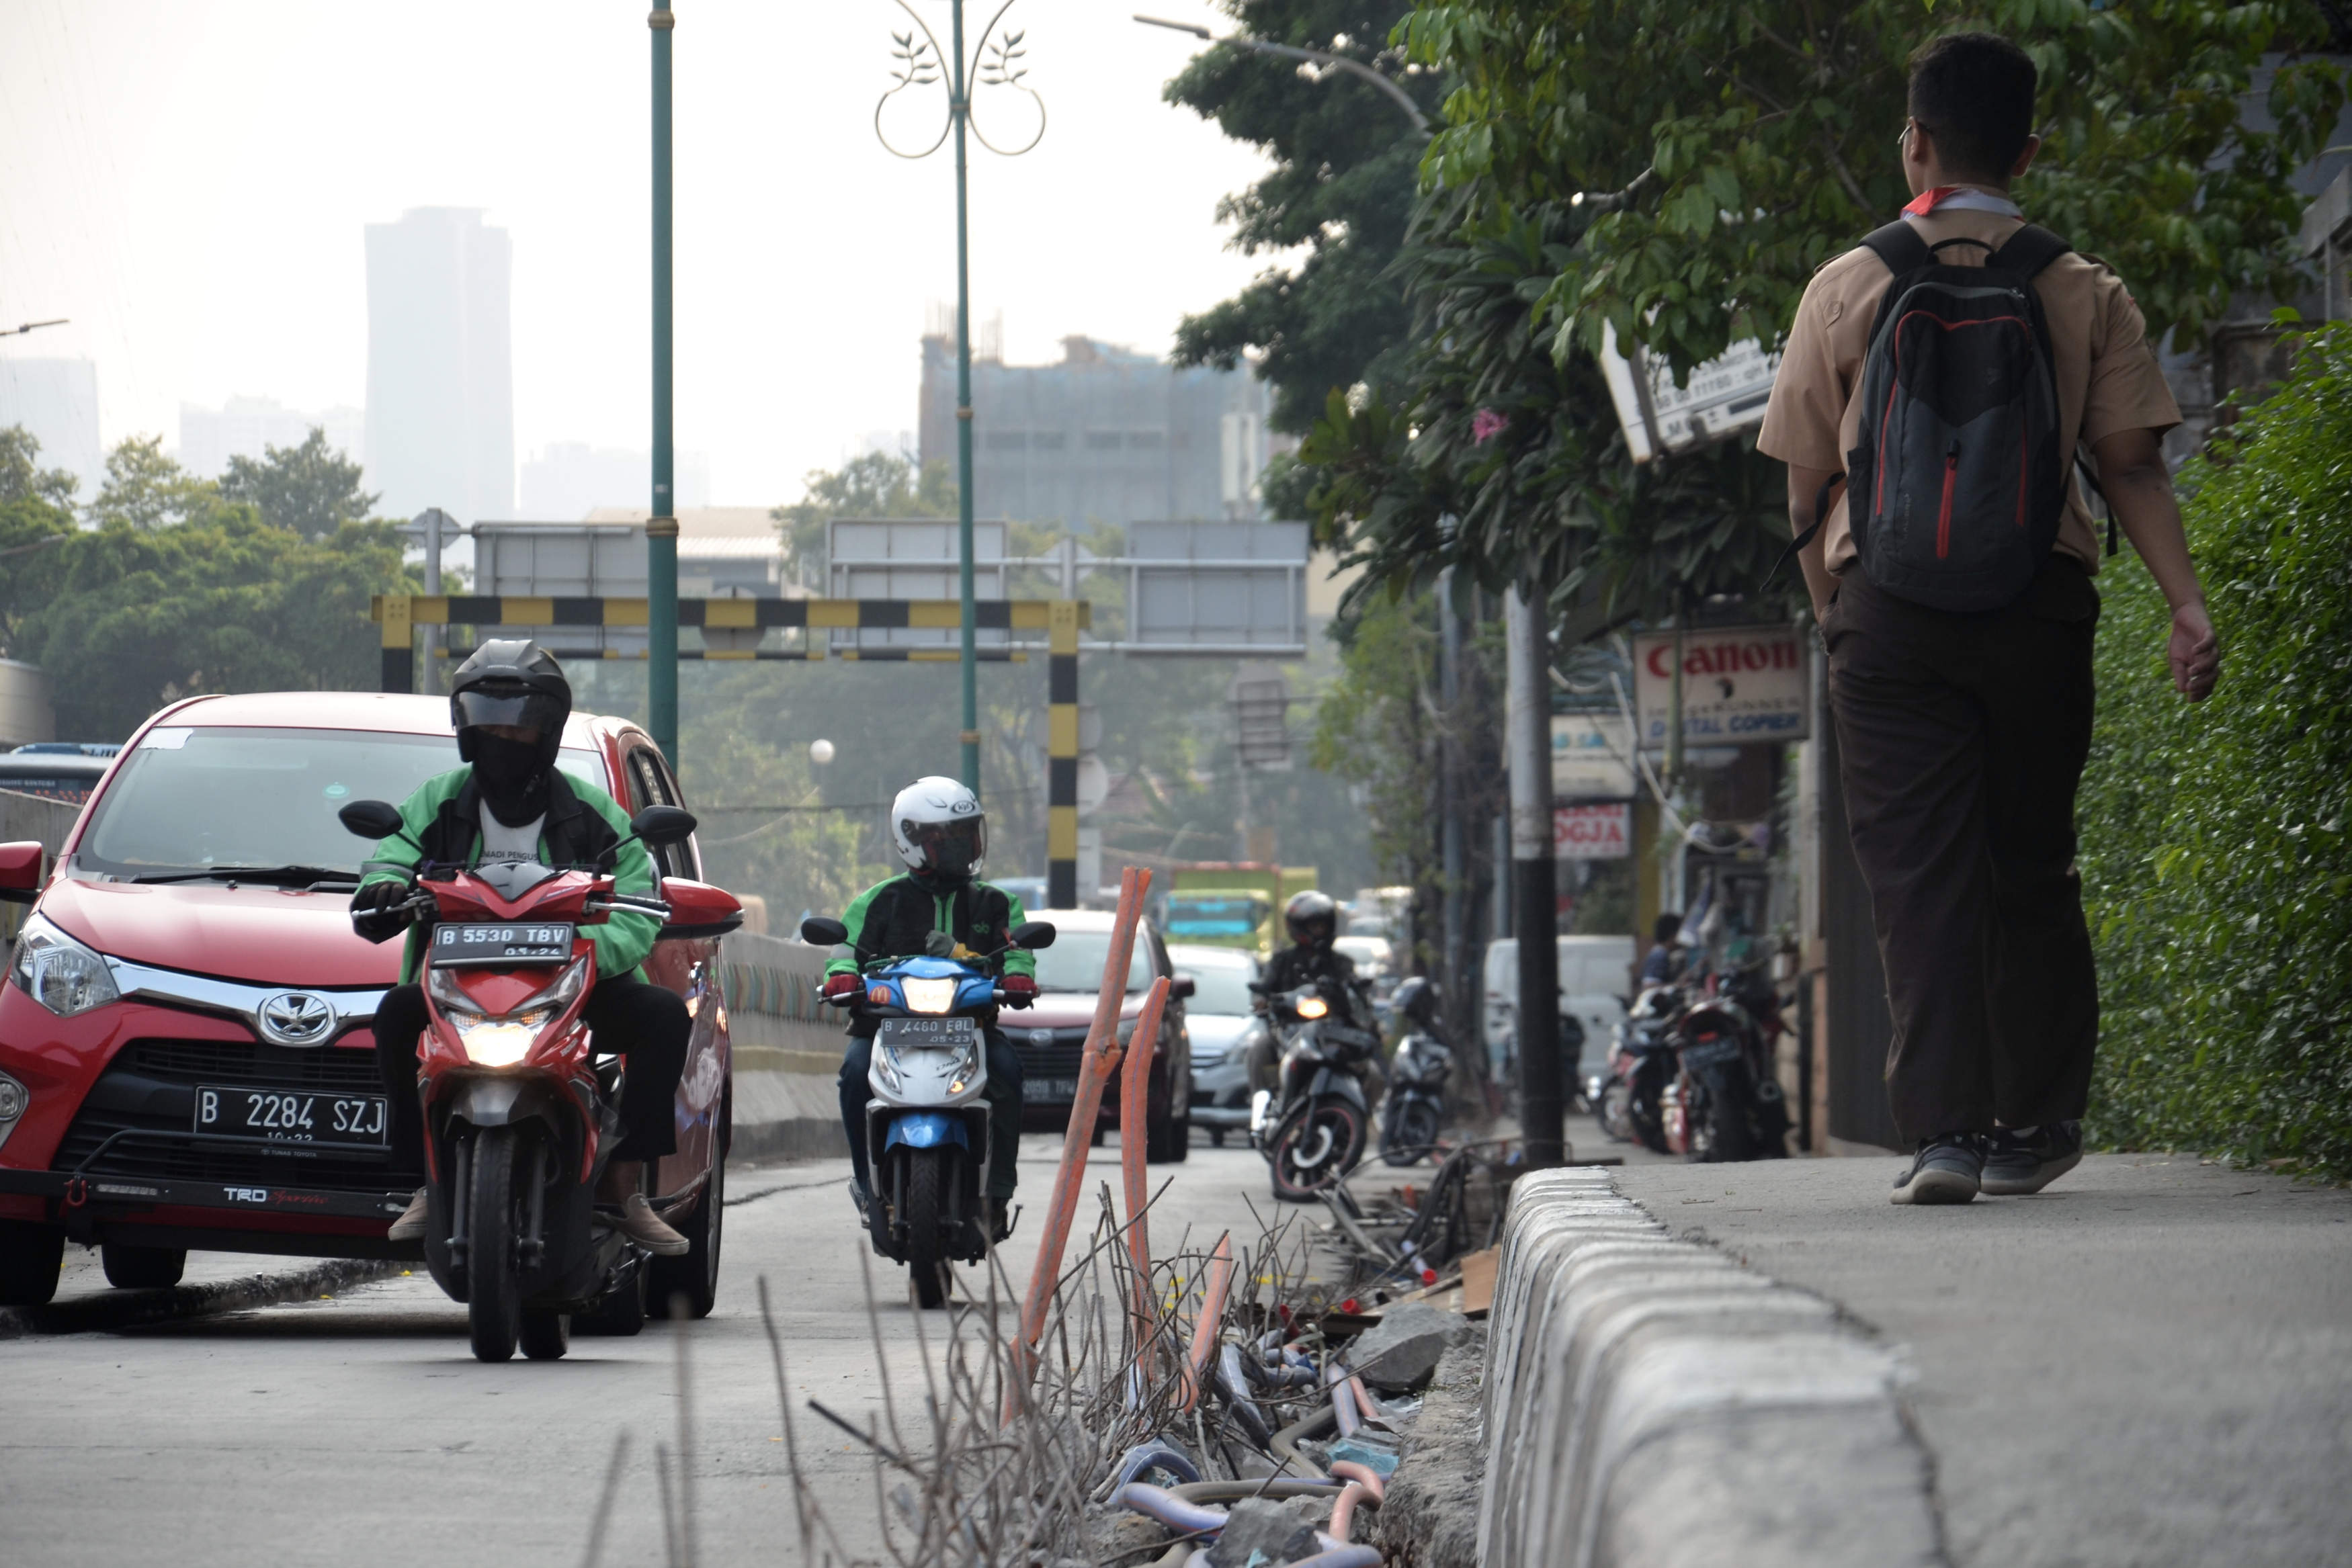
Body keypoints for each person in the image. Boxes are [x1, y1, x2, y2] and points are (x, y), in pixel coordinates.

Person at [1758, 32, 2220, 1205]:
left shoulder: (1846, 284)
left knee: (1917, 876)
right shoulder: (2082, 286)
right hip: (2038, 609)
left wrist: (1840, 620)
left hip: (1890, 618)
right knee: (2031, 859)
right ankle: (2039, 1121)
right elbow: (2130, 466)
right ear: (2029, 149)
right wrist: (2184, 604)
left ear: (1914, 140)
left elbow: (1805, 487)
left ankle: (1948, 1133)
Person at [352, 640, 690, 1254]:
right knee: (396, 1015)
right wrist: (382, 890)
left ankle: (623, 1185)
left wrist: (580, 948)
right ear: (464, 730)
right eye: (486, 726)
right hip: (460, 983)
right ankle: (425, 1182)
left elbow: (639, 896)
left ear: (550, 731)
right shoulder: (437, 800)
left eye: (519, 728)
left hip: (572, 986)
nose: (502, 740)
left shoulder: (594, 813)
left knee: (664, 1017)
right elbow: (392, 855)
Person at [822, 777, 1033, 1233]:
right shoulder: (878, 900)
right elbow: (843, 952)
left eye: (967, 834)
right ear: (911, 839)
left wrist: (1019, 976)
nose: (962, 846)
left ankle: (998, 1190)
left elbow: (1017, 950)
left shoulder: (998, 902)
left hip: (970, 1027)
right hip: (884, 1028)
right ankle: (865, 1180)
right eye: (946, 838)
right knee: (855, 1075)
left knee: (1008, 1072)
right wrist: (839, 978)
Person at [1250, 890, 1382, 1102]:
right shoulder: (1282, 961)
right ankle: (1262, 1110)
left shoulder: (1342, 963)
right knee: (1259, 1050)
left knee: (1373, 1072)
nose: (1320, 931)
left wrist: (1358, 997)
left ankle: (1356, 1117)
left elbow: (1356, 992)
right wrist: (1264, 999)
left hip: (1334, 1035)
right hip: (1289, 1032)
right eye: (1314, 926)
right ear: (1298, 927)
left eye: (1323, 926)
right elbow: (1265, 987)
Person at [1638, 912, 1687, 988]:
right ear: (1672, 935)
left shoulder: (1659, 952)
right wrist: (1676, 986)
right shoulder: (1660, 955)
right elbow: (1649, 985)